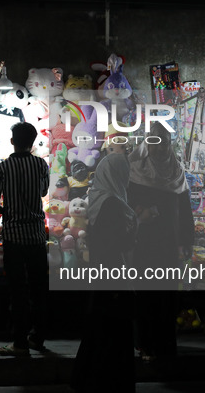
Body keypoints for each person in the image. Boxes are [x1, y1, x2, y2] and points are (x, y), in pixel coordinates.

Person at [127, 122, 194, 363]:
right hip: (143, 241)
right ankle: (145, 345)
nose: (160, 146)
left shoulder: (175, 171)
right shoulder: (134, 169)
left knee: (167, 296)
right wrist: (140, 212)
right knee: (146, 295)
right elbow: (124, 204)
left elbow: (184, 209)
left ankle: (165, 346)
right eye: (155, 141)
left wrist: (187, 240)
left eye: (164, 141)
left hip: (169, 242)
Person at [71, 153, 138, 393]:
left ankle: (88, 380)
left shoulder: (98, 196)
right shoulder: (112, 203)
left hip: (102, 276)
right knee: (114, 336)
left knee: (99, 333)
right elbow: (118, 243)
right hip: (114, 279)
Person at [0, 122, 49, 356]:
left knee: (18, 291)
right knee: (39, 289)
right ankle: (38, 337)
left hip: (14, 236)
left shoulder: (2, 168)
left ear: (12, 141)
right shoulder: (41, 164)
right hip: (36, 235)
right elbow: (43, 192)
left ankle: (20, 343)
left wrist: (9, 212)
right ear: (33, 142)